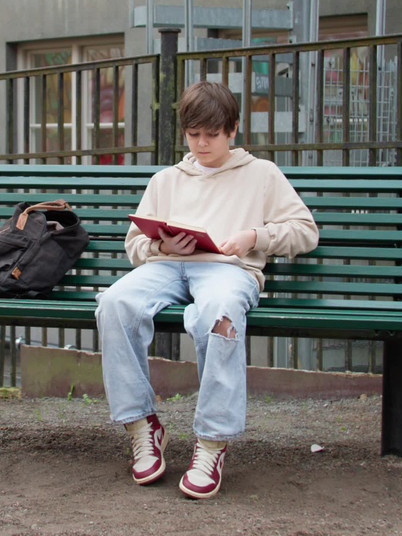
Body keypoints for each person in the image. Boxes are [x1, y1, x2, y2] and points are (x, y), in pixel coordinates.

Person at [95, 81, 319, 499]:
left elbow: (305, 232)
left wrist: (255, 236)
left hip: (226, 269)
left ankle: (212, 442)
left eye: (211, 135)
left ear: (232, 130)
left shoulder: (262, 175)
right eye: (193, 134)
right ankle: (143, 427)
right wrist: (161, 245)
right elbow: (134, 244)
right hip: (169, 267)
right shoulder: (167, 180)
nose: (201, 144)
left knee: (219, 311)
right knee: (114, 302)